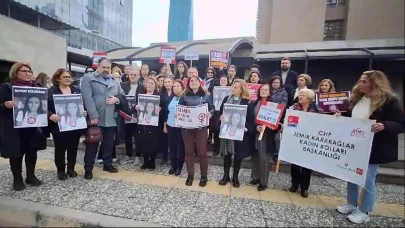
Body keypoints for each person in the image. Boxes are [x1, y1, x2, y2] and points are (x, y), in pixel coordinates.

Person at [336, 70, 404, 224]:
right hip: (354, 145)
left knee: (368, 179)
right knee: (351, 175)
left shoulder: (389, 101)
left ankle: (364, 210)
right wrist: (341, 116)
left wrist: (384, 125)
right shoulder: (357, 99)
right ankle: (352, 203)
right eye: (360, 80)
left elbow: (401, 123)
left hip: (375, 147)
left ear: (375, 83)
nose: (360, 84)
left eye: (364, 81)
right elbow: (352, 117)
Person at [0, 62, 46, 191]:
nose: (28, 73)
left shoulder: (37, 88)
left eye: (29, 71)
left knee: (32, 151)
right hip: (14, 128)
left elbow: (43, 106)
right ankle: (17, 179)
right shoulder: (7, 88)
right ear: (15, 73)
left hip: (32, 127)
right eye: (24, 71)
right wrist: (6, 105)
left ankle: (30, 176)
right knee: (16, 154)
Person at [81, 57, 124, 179]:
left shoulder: (115, 81)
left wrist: (117, 100)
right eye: (103, 67)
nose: (106, 70)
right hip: (97, 117)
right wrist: (93, 115)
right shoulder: (89, 78)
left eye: (108, 68)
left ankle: (107, 164)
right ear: (98, 66)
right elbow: (87, 98)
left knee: (109, 144)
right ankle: (88, 168)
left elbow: (122, 96)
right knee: (92, 143)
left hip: (111, 117)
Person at [48, 68, 86, 180]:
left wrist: (83, 112)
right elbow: (45, 107)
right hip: (58, 125)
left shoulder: (76, 90)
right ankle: (60, 170)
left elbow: (80, 105)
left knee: (73, 148)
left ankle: (71, 168)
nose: (67, 79)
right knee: (60, 148)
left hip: (74, 125)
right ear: (58, 78)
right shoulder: (52, 91)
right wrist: (50, 115)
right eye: (65, 77)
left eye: (69, 77)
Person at [178, 76, 214, 187]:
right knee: (189, 152)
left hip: (201, 127)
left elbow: (212, 108)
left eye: (195, 81)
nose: (193, 82)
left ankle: (204, 176)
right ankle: (190, 175)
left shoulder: (206, 95)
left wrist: (210, 113)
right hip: (187, 128)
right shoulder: (183, 96)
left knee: (202, 152)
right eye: (191, 81)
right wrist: (178, 113)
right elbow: (179, 108)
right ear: (188, 84)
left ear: (200, 83)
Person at [287, 88, 323, 197]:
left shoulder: (317, 110)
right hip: (295, 140)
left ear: (310, 98)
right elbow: (288, 121)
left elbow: (324, 123)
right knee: (295, 165)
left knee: (307, 166)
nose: (300, 96)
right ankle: (295, 183)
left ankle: (304, 187)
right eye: (300, 94)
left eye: (303, 95)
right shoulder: (293, 108)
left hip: (309, 141)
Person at [218, 79, 252, 188]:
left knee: (238, 156)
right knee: (227, 154)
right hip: (227, 131)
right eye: (233, 86)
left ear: (242, 89)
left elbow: (250, 118)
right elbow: (221, 112)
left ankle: (235, 177)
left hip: (240, 132)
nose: (233, 89)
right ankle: (226, 175)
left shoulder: (247, 102)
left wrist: (246, 127)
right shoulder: (226, 99)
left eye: (236, 87)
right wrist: (221, 117)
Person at [248, 84, 278, 191]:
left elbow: (277, 122)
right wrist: (256, 127)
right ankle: (255, 177)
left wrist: (270, 126)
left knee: (264, 158)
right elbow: (249, 119)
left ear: (270, 92)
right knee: (255, 157)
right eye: (262, 89)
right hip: (255, 134)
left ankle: (263, 181)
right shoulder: (253, 103)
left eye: (266, 90)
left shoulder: (274, 105)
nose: (263, 91)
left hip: (267, 136)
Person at [135, 77, 162, 170]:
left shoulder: (159, 96)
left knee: (153, 142)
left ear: (155, 85)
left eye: (152, 83)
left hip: (154, 124)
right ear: (145, 85)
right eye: (148, 83)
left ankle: (152, 161)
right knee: (143, 141)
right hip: (143, 124)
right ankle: (145, 161)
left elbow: (164, 109)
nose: (150, 84)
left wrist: (160, 109)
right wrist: (136, 107)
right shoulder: (141, 96)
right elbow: (134, 109)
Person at [119, 68, 143, 165]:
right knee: (127, 136)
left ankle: (138, 156)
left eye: (135, 75)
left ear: (139, 76)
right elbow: (120, 98)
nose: (133, 76)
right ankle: (128, 154)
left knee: (138, 136)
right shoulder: (122, 85)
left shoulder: (142, 87)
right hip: (126, 115)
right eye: (131, 74)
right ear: (128, 75)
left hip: (137, 115)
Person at [164, 80, 186, 175]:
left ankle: (179, 167)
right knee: (172, 147)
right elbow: (166, 112)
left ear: (182, 87)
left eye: (178, 86)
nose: (176, 88)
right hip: (170, 125)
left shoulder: (185, 99)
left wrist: (181, 114)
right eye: (174, 86)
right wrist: (165, 126)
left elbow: (188, 112)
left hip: (180, 126)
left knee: (180, 147)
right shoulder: (170, 98)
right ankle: (173, 166)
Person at [268, 75, 289, 162]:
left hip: (278, 116)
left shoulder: (284, 92)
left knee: (277, 137)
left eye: (277, 82)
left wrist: (274, 110)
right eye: (273, 82)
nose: (275, 84)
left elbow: (283, 105)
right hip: (267, 114)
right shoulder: (268, 90)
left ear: (280, 83)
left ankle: (276, 154)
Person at [209, 75, 230, 156]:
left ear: (227, 82)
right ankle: (216, 149)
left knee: (224, 131)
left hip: (226, 113)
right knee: (217, 131)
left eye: (225, 80)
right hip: (217, 113)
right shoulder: (215, 90)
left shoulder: (231, 91)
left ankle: (223, 150)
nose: (223, 81)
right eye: (222, 80)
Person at [159, 76, 173, 166]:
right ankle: (164, 157)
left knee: (172, 139)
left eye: (169, 81)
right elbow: (159, 105)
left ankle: (172, 158)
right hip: (162, 119)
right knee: (163, 139)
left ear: (172, 82)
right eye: (165, 82)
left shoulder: (176, 93)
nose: (167, 83)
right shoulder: (160, 94)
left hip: (172, 119)